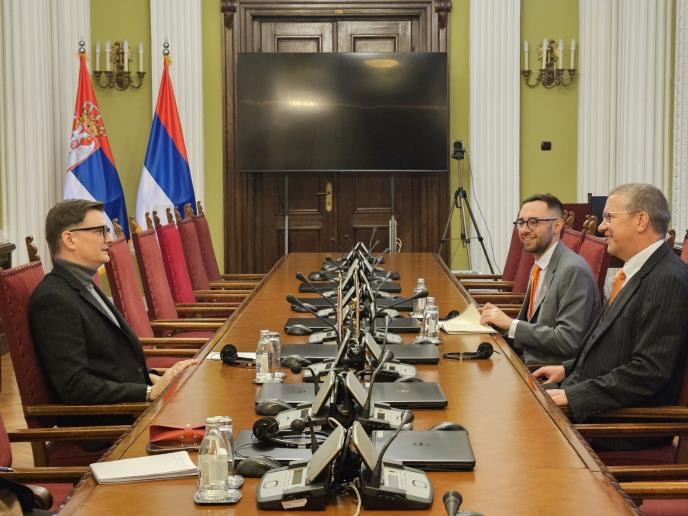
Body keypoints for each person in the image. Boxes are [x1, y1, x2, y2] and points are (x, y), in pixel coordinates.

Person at [533, 184, 688, 433]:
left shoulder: (667, 279)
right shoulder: (635, 270)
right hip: (591, 395)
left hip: (618, 422)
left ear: (641, 220)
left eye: (609, 217)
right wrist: (567, 369)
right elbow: (613, 347)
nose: (601, 227)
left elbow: (649, 371)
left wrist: (573, 396)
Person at [29, 199, 196, 411]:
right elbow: (75, 385)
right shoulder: (54, 299)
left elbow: (109, 362)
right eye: (100, 231)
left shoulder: (83, 283)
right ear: (69, 239)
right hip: (112, 421)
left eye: (107, 231)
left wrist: (155, 379)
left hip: (132, 406)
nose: (109, 239)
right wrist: (147, 392)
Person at [479, 194, 600, 364]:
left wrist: (510, 324)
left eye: (533, 222)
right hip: (524, 358)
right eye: (521, 222)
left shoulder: (573, 270)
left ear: (557, 226)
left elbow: (567, 341)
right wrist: (496, 324)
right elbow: (532, 324)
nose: (524, 230)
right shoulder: (539, 265)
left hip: (547, 371)